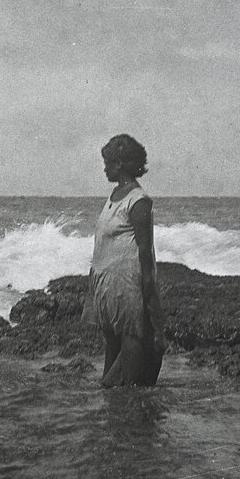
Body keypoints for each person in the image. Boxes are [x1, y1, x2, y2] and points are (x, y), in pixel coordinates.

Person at [82, 134, 166, 387]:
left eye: (108, 162)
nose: (105, 167)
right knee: (112, 355)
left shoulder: (138, 201)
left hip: (128, 292)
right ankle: (113, 416)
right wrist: (91, 291)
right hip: (109, 292)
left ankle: (121, 413)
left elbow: (145, 255)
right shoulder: (115, 195)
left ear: (120, 164)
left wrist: (151, 304)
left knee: (125, 375)